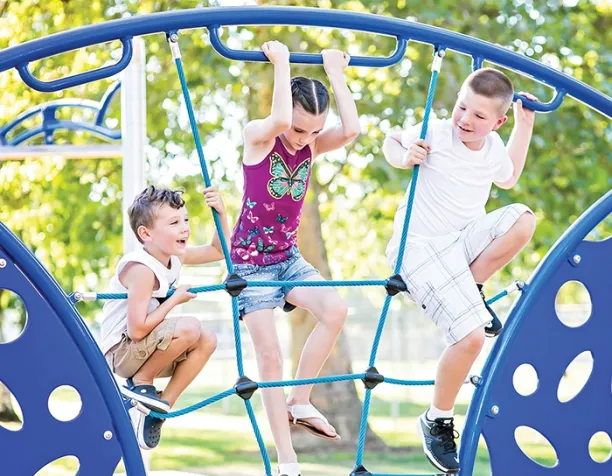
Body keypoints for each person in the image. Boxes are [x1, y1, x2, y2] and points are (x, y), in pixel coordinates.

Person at [383, 68, 538, 474]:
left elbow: (509, 177)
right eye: (462, 107)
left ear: (498, 122)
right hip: (419, 249)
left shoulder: (492, 148)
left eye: (480, 116)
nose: (466, 119)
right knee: (470, 337)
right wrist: (404, 157)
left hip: (462, 244)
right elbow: (391, 140)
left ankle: (475, 286)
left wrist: (524, 126)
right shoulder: (437, 130)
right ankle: (437, 418)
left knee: (522, 218)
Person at [231, 40, 360, 476]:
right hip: (250, 265)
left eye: (313, 130)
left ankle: (300, 399)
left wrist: (335, 73)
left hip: (287, 258)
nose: (304, 137)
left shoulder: (311, 146)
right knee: (270, 359)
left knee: (336, 309)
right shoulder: (259, 137)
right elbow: (282, 119)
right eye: (300, 129)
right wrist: (282, 63)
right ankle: (287, 457)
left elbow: (352, 129)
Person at [100, 185, 230, 450]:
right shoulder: (141, 269)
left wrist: (222, 213)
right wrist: (173, 300)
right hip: (121, 351)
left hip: (145, 348)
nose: (184, 228)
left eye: (185, 220)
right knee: (191, 327)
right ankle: (142, 382)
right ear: (146, 233)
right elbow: (136, 331)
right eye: (174, 223)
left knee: (208, 339)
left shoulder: (174, 257)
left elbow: (217, 251)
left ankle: (160, 408)